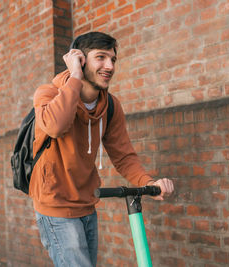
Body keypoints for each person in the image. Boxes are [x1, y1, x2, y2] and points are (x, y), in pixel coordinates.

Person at [30, 31, 174, 267]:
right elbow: (56, 126)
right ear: (80, 59)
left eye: (113, 59)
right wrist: (74, 75)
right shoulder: (48, 93)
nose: (110, 66)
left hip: (87, 204)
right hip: (54, 205)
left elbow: (123, 155)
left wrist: (149, 183)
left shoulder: (110, 106)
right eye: (101, 58)